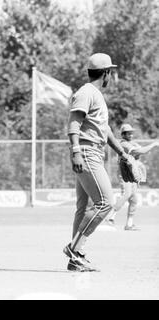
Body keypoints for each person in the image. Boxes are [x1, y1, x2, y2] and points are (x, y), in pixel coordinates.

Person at [64, 53, 130, 272]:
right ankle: (75, 249)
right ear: (106, 73)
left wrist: (121, 152)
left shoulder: (95, 95)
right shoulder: (86, 93)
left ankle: (76, 259)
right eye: (111, 71)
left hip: (91, 151)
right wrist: (76, 151)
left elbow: (105, 129)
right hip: (86, 151)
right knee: (105, 203)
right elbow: (74, 123)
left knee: (84, 209)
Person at [106, 124, 159, 230]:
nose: (131, 134)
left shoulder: (132, 143)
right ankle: (110, 216)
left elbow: (141, 150)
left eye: (131, 132)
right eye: (128, 132)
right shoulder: (123, 144)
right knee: (126, 194)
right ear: (123, 134)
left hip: (132, 172)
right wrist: (154, 144)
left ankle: (129, 224)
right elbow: (138, 151)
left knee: (134, 199)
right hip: (124, 172)